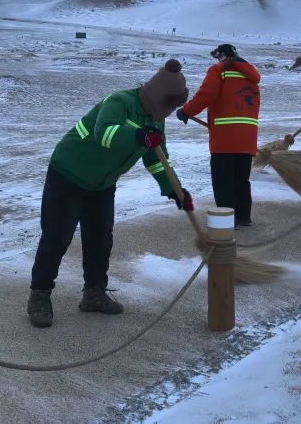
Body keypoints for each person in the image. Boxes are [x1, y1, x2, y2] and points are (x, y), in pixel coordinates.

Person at [26, 59, 192, 328]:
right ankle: (39, 296)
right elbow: (104, 133)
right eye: (170, 106)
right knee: (57, 237)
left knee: (100, 240)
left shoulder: (156, 120)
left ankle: (94, 293)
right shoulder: (120, 102)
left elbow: (157, 160)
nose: (170, 112)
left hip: (102, 184)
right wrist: (138, 136)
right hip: (68, 174)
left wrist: (175, 190)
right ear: (156, 96)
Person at [177, 43, 261, 227]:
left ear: (222, 56)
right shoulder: (251, 76)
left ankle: (227, 220)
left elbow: (206, 94)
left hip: (225, 137)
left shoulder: (219, 71)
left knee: (223, 180)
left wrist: (186, 111)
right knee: (241, 179)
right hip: (247, 137)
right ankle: (243, 217)